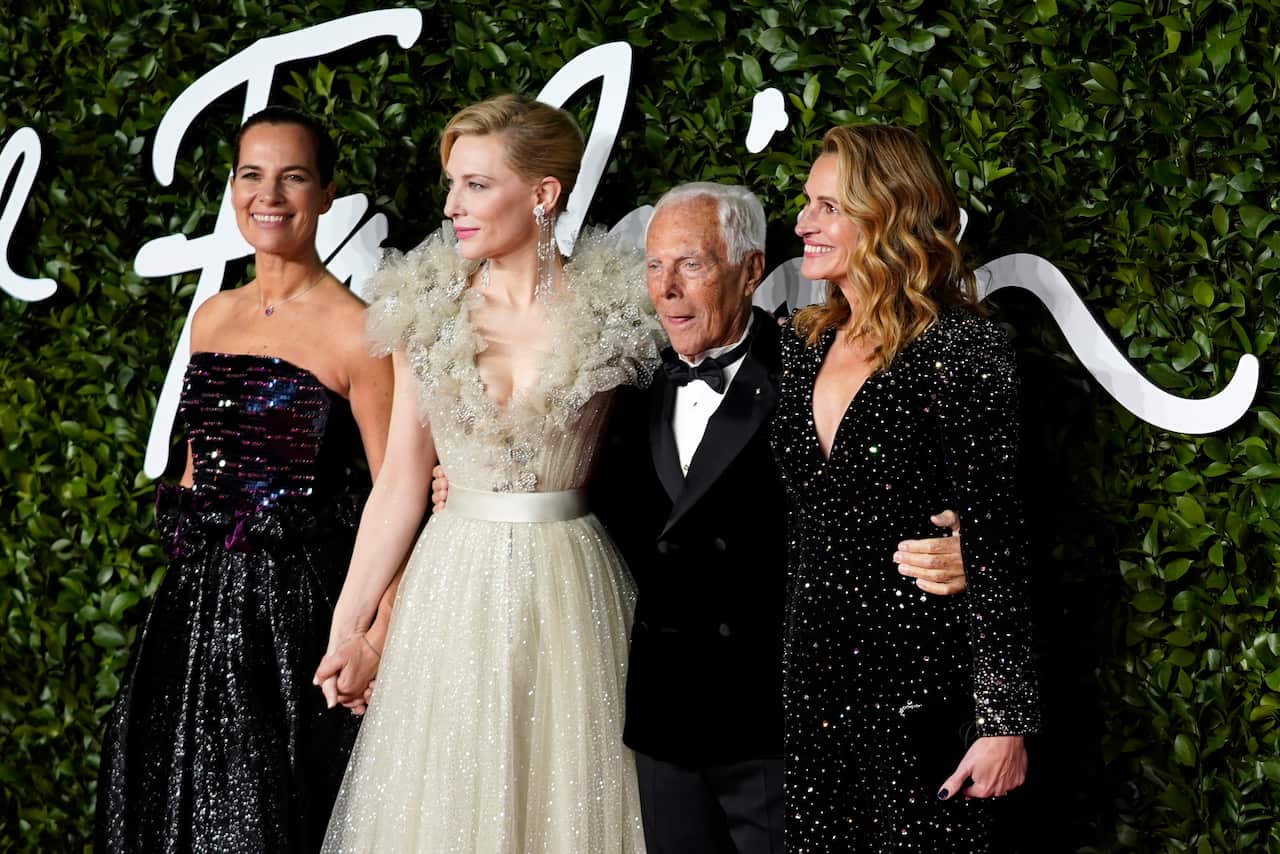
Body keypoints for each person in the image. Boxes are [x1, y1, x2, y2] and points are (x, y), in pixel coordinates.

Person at [431, 181, 970, 854]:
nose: (668, 289)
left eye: (691, 264)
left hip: (772, 719)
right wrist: (465, 483)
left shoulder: (812, 370)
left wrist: (969, 548)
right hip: (663, 719)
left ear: (750, 270)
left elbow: (881, 495)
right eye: (655, 266)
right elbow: (554, 473)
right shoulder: (622, 381)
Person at [314, 94, 657, 852]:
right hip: (452, 585)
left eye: (475, 185)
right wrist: (352, 627)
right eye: (452, 184)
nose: (452, 207)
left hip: (573, 587)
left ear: (543, 193)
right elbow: (400, 482)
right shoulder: (426, 308)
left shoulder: (617, 306)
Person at [96, 106, 394, 853]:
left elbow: (397, 494)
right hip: (193, 609)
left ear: (326, 192)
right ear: (233, 187)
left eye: (294, 176)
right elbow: (198, 462)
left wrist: (377, 635)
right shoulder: (212, 318)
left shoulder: (360, 330)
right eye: (252, 174)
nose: (270, 195)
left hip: (293, 620)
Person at [775, 124, 1040, 852]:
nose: (802, 224)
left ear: (888, 215)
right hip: (816, 685)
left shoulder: (962, 348)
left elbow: (995, 537)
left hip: (925, 685)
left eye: (829, 207)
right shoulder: (803, 343)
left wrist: (1004, 722)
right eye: (808, 203)